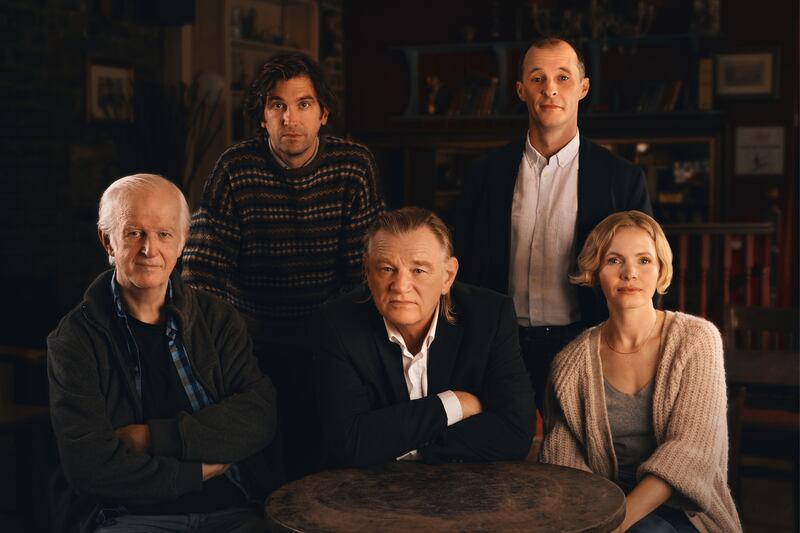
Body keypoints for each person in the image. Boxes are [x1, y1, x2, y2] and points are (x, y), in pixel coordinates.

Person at [182, 52, 385, 478]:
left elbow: (363, 270)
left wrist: (345, 339)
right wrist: (225, 343)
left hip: (328, 333)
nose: (290, 118)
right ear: (263, 116)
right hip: (251, 337)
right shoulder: (235, 168)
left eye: (303, 104)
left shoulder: (353, 165)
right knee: (261, 455)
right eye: (278, 105)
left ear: (323, 114)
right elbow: (201, 272)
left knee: (327, 453)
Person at [47, 174, 277, 532]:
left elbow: (259, 416)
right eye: (134, 233)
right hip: (128, 517)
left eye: (164, 234)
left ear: (183, 242)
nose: (149, 249)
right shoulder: (75, 340)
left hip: (233, 509)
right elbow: (88, 465)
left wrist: (155, 437)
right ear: (107, 241)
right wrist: (195, 473)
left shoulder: (217, 318)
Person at [456, 37, 653, 412]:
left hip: (588, 343)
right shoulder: (484, 175)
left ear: (583, 87)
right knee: (503, 446)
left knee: (579, 446)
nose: (550, 89)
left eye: (563, 77)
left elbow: (645, 272)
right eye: (537, 78)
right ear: (521, 90)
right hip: (502, 346)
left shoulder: (623, 179)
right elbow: (462, 268)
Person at [540, 211, 741, 532]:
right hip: (602, 510)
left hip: (687, 513)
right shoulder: (570, 364)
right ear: (595, 271)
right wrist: (599, 522)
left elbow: (689, 453)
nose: (630, 273)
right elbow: (564, 466)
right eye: (614, 260)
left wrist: (618, 525)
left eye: (644, 260)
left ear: (661, 271)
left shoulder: (696, 340)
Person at [313, 207, 536, 466]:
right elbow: (350, 443)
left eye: (418, 270)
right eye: (386, 269)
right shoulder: (337, 325)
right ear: (367, 272)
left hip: (466, 485)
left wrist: (394, 443)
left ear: (447, 276)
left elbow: (515, 435)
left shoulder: (489, 317)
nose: (401, 286)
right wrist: (454, 404)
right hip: (370, 487)